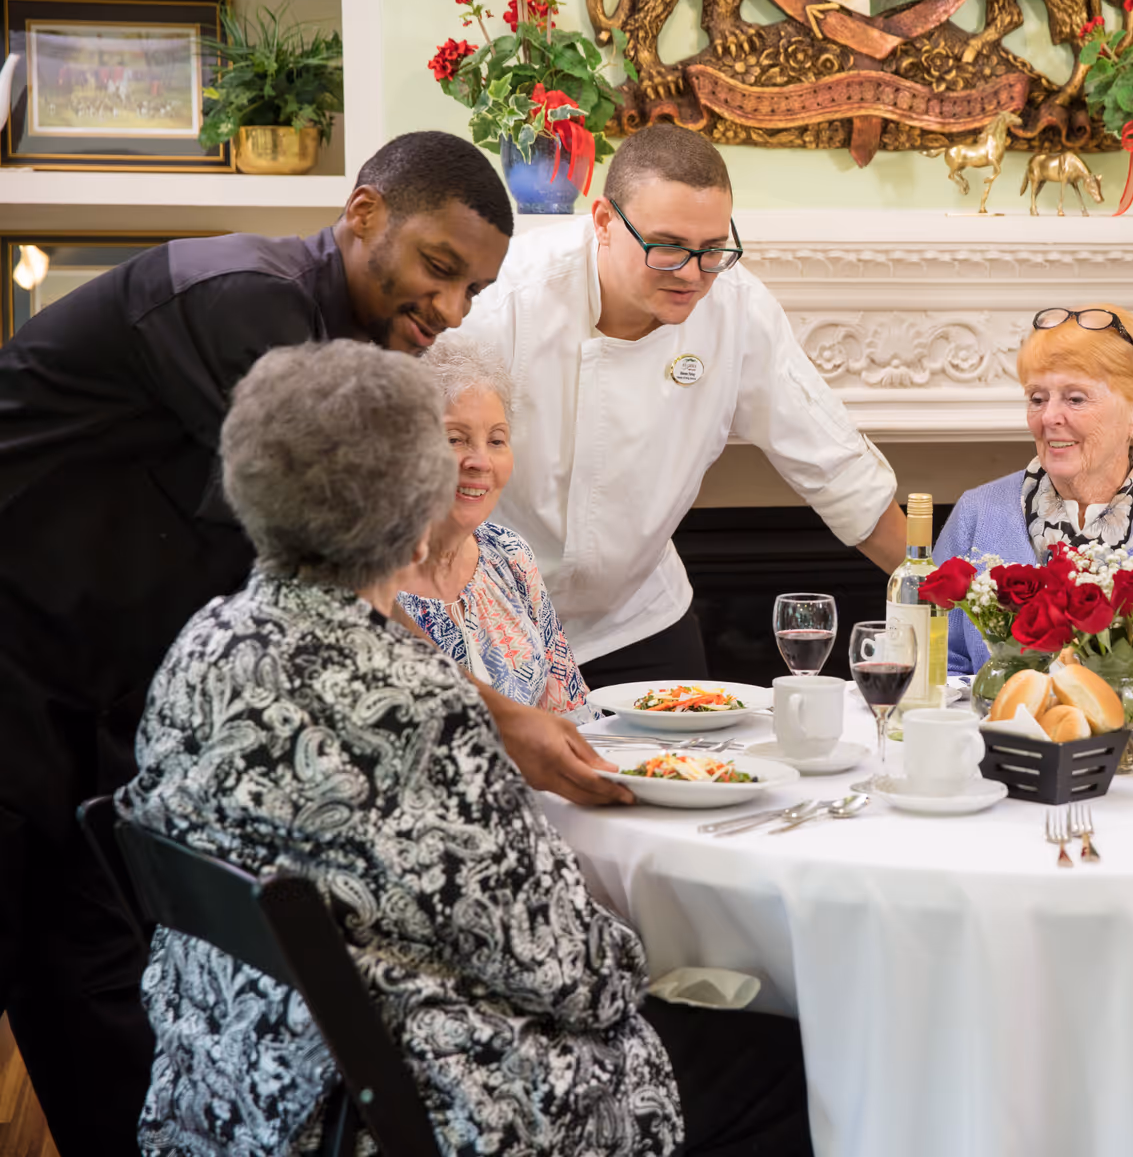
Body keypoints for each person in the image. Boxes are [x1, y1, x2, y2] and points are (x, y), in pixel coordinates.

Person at [0, 131, 609, 1157]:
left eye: (475, 288)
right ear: (363, 213)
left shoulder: (353, 345)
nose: (452, 308)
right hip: (16, 640)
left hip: (95, 669)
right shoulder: (247, 300)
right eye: (439, 268)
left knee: (95, 959)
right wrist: (507, 717)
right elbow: (336, 578)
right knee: (53, 947)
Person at [119, 341, 811, 1157]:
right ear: (415, 512)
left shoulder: (200, 645)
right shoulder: (421, 701)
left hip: (224, 1083)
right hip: (389, 1105)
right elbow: (573, 969)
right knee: (790, 1063)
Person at [461, 123, 906, 686]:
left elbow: (837, 470)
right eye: (667, 247)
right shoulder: (502, 303)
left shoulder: (737, 307)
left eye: (713, 249)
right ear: (602, 221)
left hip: (637, 620)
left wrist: (957, 602)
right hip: (493, 615)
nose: (694, 275)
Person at [932, 304, 1133, 674]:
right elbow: (930, 666)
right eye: (1037, 398)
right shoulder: (977, 513)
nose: (1048, 418)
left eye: (1075, 398)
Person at [396, 330, 589, 719]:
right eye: (455, 439)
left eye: (497, 440)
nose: (480, 462)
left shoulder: (508, 555)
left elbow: (571, 715)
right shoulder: (359, 580)